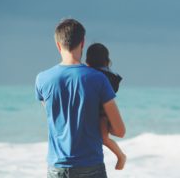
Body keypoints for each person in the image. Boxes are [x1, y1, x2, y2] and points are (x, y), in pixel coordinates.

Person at [35, 18, 126, 178]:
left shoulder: (42, 79)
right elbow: (120, 131)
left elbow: (56, 118)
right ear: (82, 43)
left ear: (58, 44)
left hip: (57, 168)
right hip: (90, 167)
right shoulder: (98, 79)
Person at [86, 43, 126, 170]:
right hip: (105, 113)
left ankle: (121, 156)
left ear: (87, 61)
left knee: (103, 138)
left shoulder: (90, 74)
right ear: (107, 60)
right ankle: (120, 156)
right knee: (104, 138)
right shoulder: (110, 75)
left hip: (102, 114)